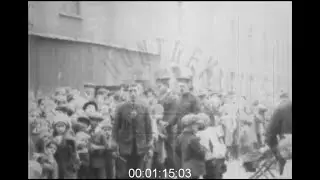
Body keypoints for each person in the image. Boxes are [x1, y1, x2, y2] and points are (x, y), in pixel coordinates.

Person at [112, 84, 153, 178]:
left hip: (141, 146)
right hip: (125, 146)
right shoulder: (121, 108)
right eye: (130, 91)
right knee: (125, 173)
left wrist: (150, 143)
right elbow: (115, 128)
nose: (133, 93)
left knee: (139, 173)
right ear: (127, 93)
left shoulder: (144, 107)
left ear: (138, 92)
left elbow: (149, 128)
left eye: (135, 91)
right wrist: (114, 144)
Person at [156, 74, 179, 172]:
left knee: (170, 149)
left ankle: (173, 171)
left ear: (166, 85)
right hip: (160, 126)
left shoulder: (173, 97)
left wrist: (167, 123)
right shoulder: (160, 97)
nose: (159, 88)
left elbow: (174, 112)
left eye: (160, 86)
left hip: (169, 127)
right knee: (161, 149)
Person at [265, 97, 292, 177]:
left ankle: (280, 162)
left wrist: (277, 155)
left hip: (287, 145)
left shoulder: (280, 109)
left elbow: (270, 132)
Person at [175, 114, 206, 179]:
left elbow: (177, 152)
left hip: (184, 168)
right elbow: (201, 153)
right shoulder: (194, 139)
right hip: (193, 170)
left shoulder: (179, 137)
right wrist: (204, 148)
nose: (198, 127)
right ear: (191, 126)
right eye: (196, 125)